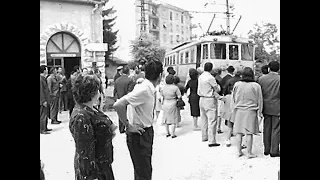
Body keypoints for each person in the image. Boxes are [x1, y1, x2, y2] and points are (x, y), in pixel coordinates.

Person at [113, 60, 163, 180]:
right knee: (144, 173)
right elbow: (118, 104)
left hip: (143, 132)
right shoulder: (144, 89)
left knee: (142, 171)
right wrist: (128, 125)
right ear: (160, 76)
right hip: (140, 134)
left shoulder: (145, 87)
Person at [69, 74, 117, 180]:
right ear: (92, 93)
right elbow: (85, 152)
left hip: (103, 165)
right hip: (94, 171)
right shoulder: (81, 116)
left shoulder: (90, 109)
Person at [232, 67, 263, 158]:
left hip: (239, 110)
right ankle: (249, 153)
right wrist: (260, 112)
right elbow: (259, 99)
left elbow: (233, 97)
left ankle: (239, 151)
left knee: (238, 132)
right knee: (249, 132)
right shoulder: (256, 85)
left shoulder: (237, 84)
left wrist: (233, 109)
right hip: (251, 111)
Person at [257, 61, 280, 157]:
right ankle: (274, 150)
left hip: (265, 106)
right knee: (276, 128)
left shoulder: (261, 79)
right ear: (278, 69)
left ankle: (266, 149)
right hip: (277, 106)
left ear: (269, 68)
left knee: (266, 127)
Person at [198, 62, 221, 147]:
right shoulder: (210, 78)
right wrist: (218, 87)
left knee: (203, 119)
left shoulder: (200, 76)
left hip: (201, 98)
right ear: (211, 68)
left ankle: (204, 136)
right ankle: (212, 140)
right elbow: (216, 89)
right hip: (209, 99)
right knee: (212, 120)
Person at [114, 66, 135, 133]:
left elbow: (115, 91)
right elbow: (130, 92)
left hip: (119, 98)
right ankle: (128, 127)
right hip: (126, 99)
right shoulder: (130, 80)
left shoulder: (117, 80)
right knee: (128, 114)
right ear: (128, 72)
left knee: (121, 114)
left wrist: (116, 98)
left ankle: (121, 128)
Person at [40, 65, 51, 134]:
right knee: (42, 115)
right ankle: (42, 129)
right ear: (44, 70)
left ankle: (45, 127)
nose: (47, 70)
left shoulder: (43, 78)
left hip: (46, 99)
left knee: (45, 114)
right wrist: (43, 101)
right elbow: (41, 91)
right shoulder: (40, 79)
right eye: (46, 69)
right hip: (42, 101)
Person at [212, 68, 224, 134]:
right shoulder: (220, 79)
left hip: (213, 96)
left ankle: (214, 127)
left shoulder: (213, 78)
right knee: (219, 113)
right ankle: (218, 128)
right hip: (219, 96)